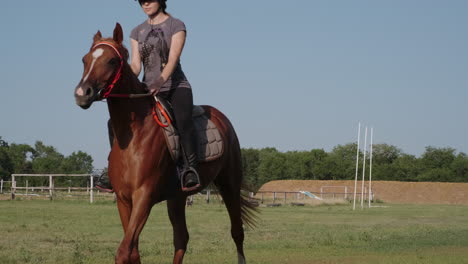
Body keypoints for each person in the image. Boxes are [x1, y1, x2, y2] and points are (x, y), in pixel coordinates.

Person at [96, 0, 199, 192]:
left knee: (183, 121)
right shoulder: (137, 31)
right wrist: (122, 83)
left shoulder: (176, 25)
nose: (145, 4)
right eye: (142, 1)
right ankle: (111, 171)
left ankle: (190, 169)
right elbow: (136, 66)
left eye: (149, 0)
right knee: (113, 123)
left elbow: (173, 60)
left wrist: (159, 82)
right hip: (147, 88)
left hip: (176, 86)